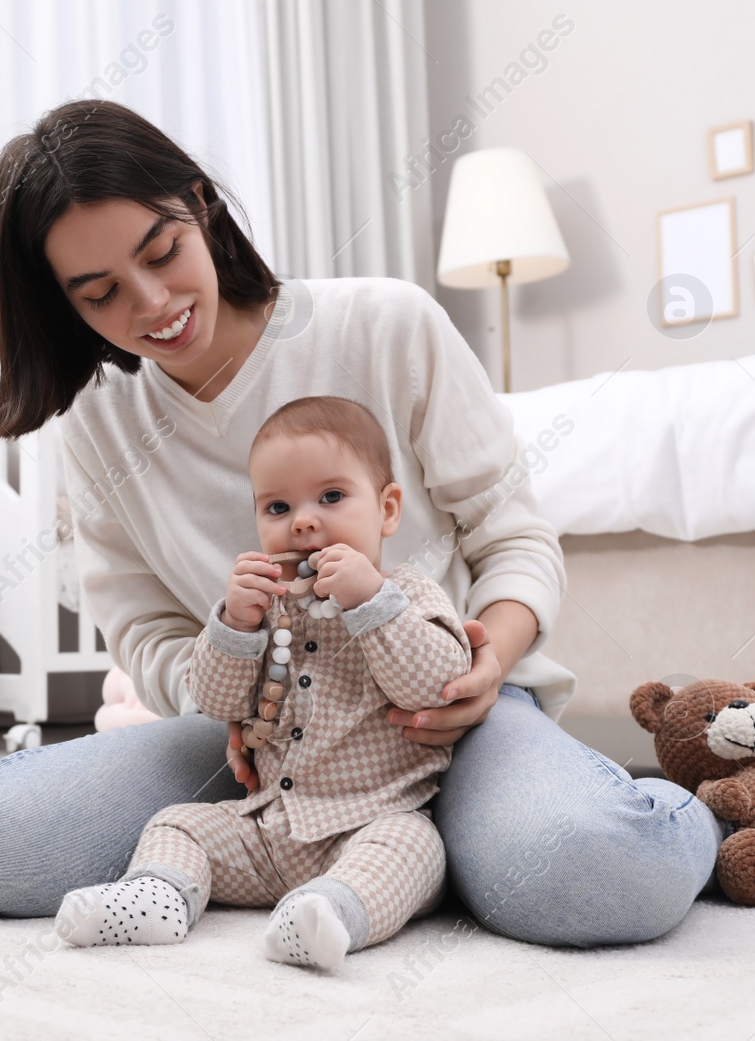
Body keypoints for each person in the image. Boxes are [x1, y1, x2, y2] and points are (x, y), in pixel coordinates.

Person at [0, 99, 724, 947]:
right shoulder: (99, 420)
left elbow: (513, 533)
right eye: (101, 294)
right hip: (260, 742)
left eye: (162, 252)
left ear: (200, 204)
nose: (153, 303)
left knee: (605, 864)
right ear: (64, 304)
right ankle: (424, 861)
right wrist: (231, 702)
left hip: (451, 716)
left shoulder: (385, 324)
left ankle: (684, 811)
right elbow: (147, 631)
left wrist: (487, 661)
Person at [55, 395, 472, 968]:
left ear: (388, 510)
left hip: (371, 822)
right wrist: (233, 626)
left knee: (415, 849)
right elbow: (213, 700)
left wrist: (371, 601)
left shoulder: (409, 594)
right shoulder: (260, 610)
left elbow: (435, 685)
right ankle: (157, 897)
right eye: (277, 507)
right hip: (268, 831)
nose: (302, 521)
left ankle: (329, 914)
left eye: (331, 497)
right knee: (178, 822)